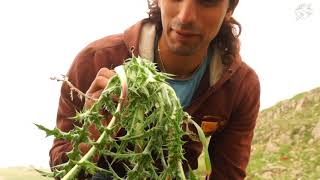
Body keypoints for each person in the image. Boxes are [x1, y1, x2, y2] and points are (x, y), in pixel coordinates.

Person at [49, 0, 260, 179]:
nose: (186, 16)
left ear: (229, 9)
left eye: (207, 0)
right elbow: (60, 171)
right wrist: (91, 138)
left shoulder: (240, 87)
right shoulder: (96, 61)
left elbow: (227, 175)